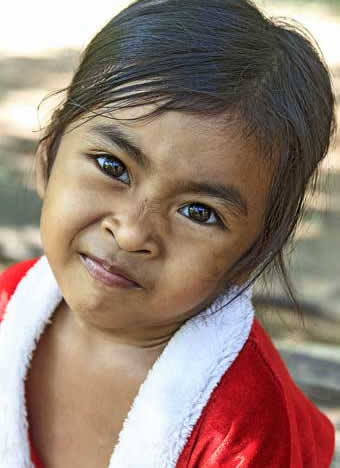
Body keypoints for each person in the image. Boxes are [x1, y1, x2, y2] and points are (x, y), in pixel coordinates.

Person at [0, 0, 337, 466]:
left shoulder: (243, 428)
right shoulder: (7, 308)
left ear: (252, 255)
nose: (132, 232)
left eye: (199, 211)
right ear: (46, 160)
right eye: (112, 166)